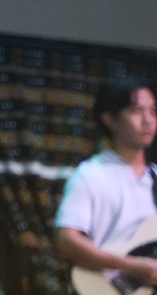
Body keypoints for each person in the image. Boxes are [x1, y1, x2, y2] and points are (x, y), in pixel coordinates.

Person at [53, 75, 157, 288]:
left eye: (153, 111)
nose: (148, 120)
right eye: (137, 111)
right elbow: (66, 239)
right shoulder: (90, 174)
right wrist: (129, 266)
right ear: (110, 119)